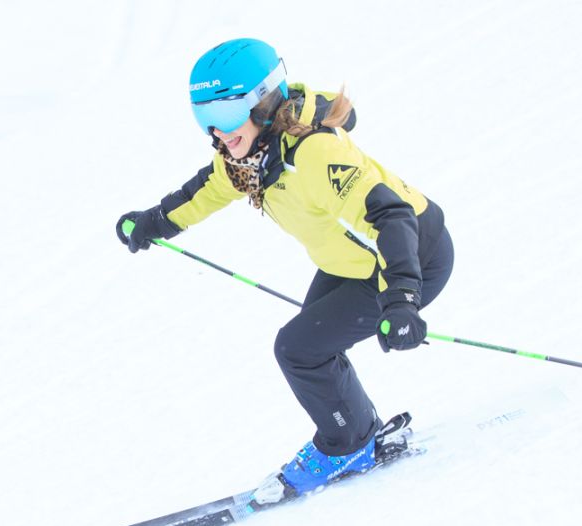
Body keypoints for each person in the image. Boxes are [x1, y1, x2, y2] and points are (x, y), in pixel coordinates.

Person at [115, 38, 454, 495]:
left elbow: (391, 216)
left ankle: (348, 444)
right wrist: (154, 223)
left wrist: (403, 299)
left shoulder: (312, 154)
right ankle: (359, 432)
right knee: (312, 348)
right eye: (204, 118)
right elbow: (208, 189)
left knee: (299, 349)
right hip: (351, 261)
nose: (218, 132)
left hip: (408, 257)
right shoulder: (250, 156)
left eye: (227, 114)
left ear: (262, 103)